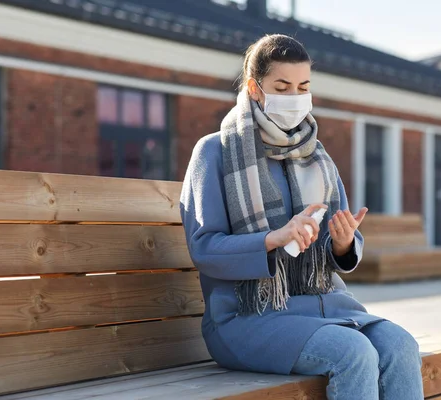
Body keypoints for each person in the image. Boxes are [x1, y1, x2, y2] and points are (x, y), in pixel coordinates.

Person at [180, 33, 424, 400]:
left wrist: (342, 243)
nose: (295, 97)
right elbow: (205, 248)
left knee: (401, 344)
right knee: (353, 353)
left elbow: (336, 247)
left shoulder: (317, 156)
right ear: (255, 87)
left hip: (325, 308)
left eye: (302, 87)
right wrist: (272, 239)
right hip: (246, 318)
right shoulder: (215, 152)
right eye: (282, 86)